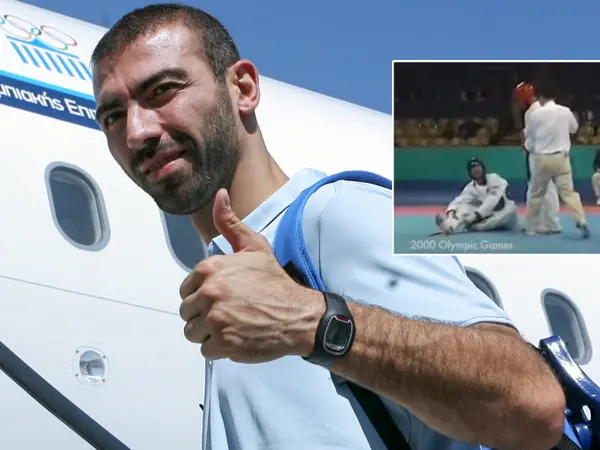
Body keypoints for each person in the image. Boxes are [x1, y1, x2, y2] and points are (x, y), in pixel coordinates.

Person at [90, 4, 566, 449]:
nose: (136, 132)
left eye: (163, 91)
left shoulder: (335, 214)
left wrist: (308, 321)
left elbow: (531, 402)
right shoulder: (230, 286)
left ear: (244, 89)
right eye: (113, 116)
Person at [522, 79, 589, 238]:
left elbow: (529, 136)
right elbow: (574, 129)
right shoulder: (565, 111)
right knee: (569, 193)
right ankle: (581, 220)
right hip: (561, 158)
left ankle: (531, 228)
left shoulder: (536, 114)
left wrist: (530, 148)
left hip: (542, 159)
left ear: (541, 97)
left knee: (536, 194)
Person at [514, 82, 562, 234]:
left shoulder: (532, 112)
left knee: (537, 190)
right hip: (550, 152)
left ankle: (536, 225)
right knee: (549, 189)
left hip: (538, 154)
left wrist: (525, 145)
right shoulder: (543, 108)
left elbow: (530, 136)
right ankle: (552, 223)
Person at [435, 158, 519, 234]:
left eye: (478, 168)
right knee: (464, 207)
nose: (476, 171)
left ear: (483, 168)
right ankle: (450, 226)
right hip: (488, 214)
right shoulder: (470, 187)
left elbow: (492, 200)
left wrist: (474, 216)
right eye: (473, 170)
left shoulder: (495, 179)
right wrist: (451, 212)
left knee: (483, 225)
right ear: (469, 173)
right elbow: (459, 200)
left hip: (506, 213)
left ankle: (479, 225)